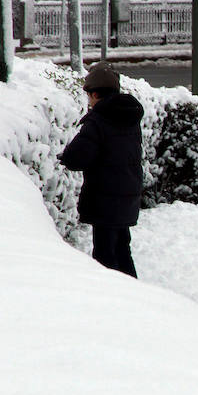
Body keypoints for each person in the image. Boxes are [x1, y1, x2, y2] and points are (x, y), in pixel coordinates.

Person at [59, 62, 144, 278]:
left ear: (95, 94)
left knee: (105, 256)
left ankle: (113, 301)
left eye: (88, 96)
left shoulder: (97, 121)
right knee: (123, 250)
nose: (88, 101)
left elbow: (77, 157)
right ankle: (137, 296)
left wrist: (66, 156)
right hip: (127, 196)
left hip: (105, 199)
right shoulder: (130, 118)